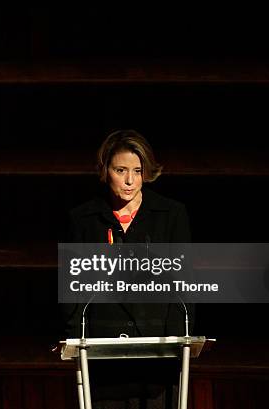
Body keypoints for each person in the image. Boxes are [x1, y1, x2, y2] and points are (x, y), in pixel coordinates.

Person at [61, 129, 193, 409]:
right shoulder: (83, 219)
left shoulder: (171, 215)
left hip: (159, 354)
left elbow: (184, 286)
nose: (130, 180)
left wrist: (180, 343)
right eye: (121, 170)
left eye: (137, 170)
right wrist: (75, 339)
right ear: (105, 170)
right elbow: (73, 289)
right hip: (102, 356)